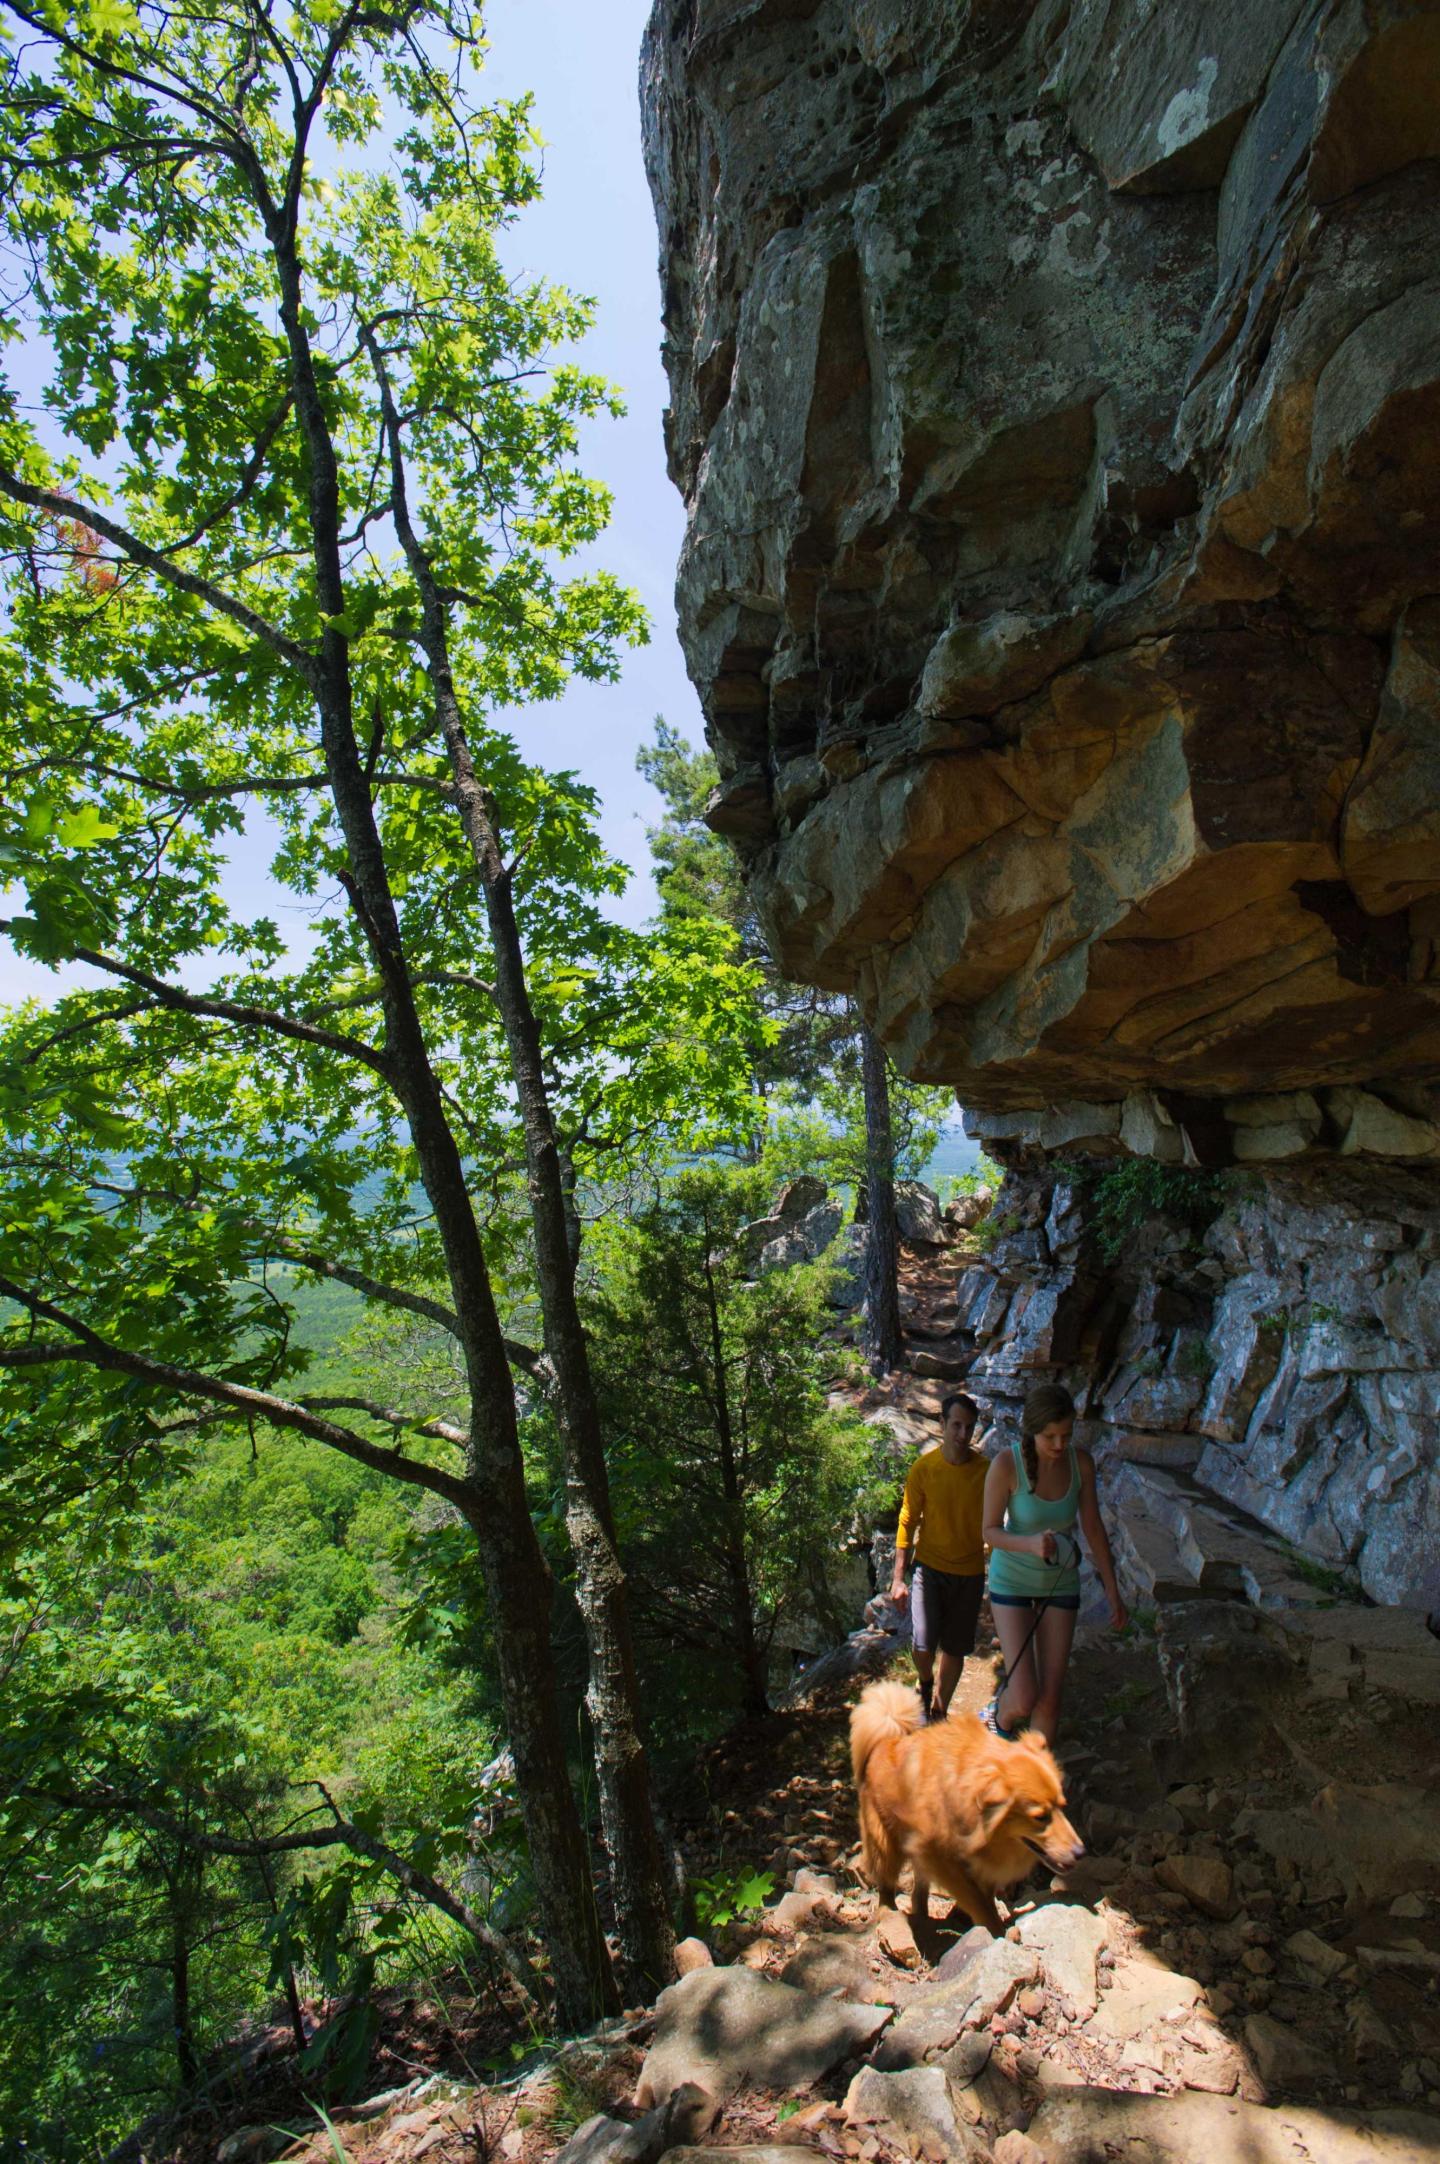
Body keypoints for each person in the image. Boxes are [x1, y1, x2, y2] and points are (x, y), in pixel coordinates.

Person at [982, 1382, 1127, 1743]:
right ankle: (1000, 1717)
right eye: (1050, 1437)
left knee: (1050, 1698)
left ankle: (1034, 1787)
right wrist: (1029, 1544)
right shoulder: (1006, 1465)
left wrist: (1112, 1592)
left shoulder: (1080, 1464)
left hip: (1059, 1582)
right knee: (1026, 1697)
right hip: (1012, 1579)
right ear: (1031, 1432)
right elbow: (988, 1532)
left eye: (1066, 1435)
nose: (1060, 1445)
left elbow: (1092, 1528)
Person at [888, 1392, 989, 1723]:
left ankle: (939, 1710)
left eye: (969, 1428)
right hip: (929, 1569)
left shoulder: (987, 1472)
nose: (963, 1435)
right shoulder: (924, 1469)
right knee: (922, 1642)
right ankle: (925, 1680)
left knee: (956, 1648)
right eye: (956, 1425)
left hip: (970, 1572)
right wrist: (898, 1578)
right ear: (942, 1424)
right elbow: (908, 1521)